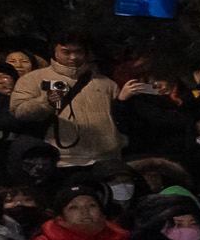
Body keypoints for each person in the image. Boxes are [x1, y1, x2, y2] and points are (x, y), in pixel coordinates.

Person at [9, 35, 121, 168]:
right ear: (54, 52)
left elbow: (119, 117)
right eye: (66, 52)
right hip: (60, 159)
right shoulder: (33, 79)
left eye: (78, 51)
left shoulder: (106, 83)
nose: (73, 57)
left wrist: (119, 140)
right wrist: (46, 102)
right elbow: (18, 112)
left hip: (105, 158)